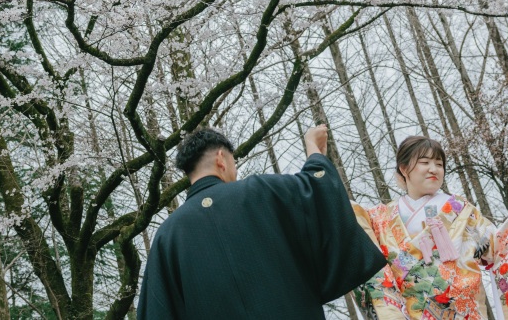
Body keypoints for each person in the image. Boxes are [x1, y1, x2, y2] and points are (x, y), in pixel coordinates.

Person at [137, 124, 386, 319]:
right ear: (221, 159)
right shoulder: (260, 190)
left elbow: (157, 310)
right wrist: (313, 148)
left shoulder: (167, 236)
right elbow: (317, 186)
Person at [353, 136, 508, 320]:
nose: (434, 169)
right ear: (404, 168)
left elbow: (498, 246)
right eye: (425, 162)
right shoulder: (380, 218)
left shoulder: (460, 209)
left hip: (465, 311)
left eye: (439, 164)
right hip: (412, 312)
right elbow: (359, 243)